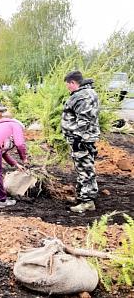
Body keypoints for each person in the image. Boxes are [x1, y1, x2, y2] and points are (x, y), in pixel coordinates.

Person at [62, 70, 100, 213]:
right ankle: (81, 195)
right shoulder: (89, 93)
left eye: (68, 85)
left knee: (85, 169)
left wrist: (78, 138)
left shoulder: (82, 96)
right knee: (84, 167)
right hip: (87, 138)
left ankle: (87, 202)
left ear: (73, 82)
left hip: (82, 139)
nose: (67, 88)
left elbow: (84, 119)